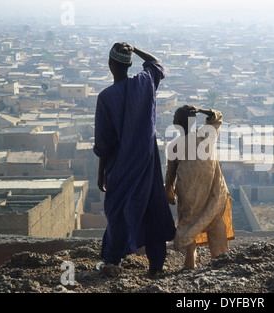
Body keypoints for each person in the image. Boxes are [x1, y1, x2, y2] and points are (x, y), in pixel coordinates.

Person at [93, 42, 175, 276]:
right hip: (148, 165)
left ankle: (113, 263)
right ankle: (156, 266)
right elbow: (156, 64)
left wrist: (101, 174)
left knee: (118, 211)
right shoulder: (144, 83)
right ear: (129, 64)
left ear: (110, 65)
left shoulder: (106, 98)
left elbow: (103, 143)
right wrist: (136, 48)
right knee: (151, 209)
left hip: (120, 167)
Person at [165, 105, 234, 270]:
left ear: (177, 123)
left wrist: (169, 192)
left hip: (189, 195)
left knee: (189, 224)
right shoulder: (206, 135)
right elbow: (217, 116)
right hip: (212, 192)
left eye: (175, 118)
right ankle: (219, 260)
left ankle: (191, 262)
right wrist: (202, 110)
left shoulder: (174, 146)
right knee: (215, 222)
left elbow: (170, 174)